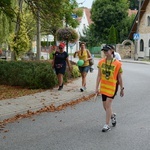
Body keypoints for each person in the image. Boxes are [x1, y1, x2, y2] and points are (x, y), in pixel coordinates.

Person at [95, 44, 124, 132]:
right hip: (103, 87)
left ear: (112, 51)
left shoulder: (118, 64)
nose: (105, 53)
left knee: (108, 105)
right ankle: (112, 116)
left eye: (106, 51)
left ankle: (106, 125)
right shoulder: (101, 62)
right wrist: (96, 88)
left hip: (112, 87)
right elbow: (99, 75)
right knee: (105, 107)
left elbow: (119, 77)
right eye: (104, 51)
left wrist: (122, 88)